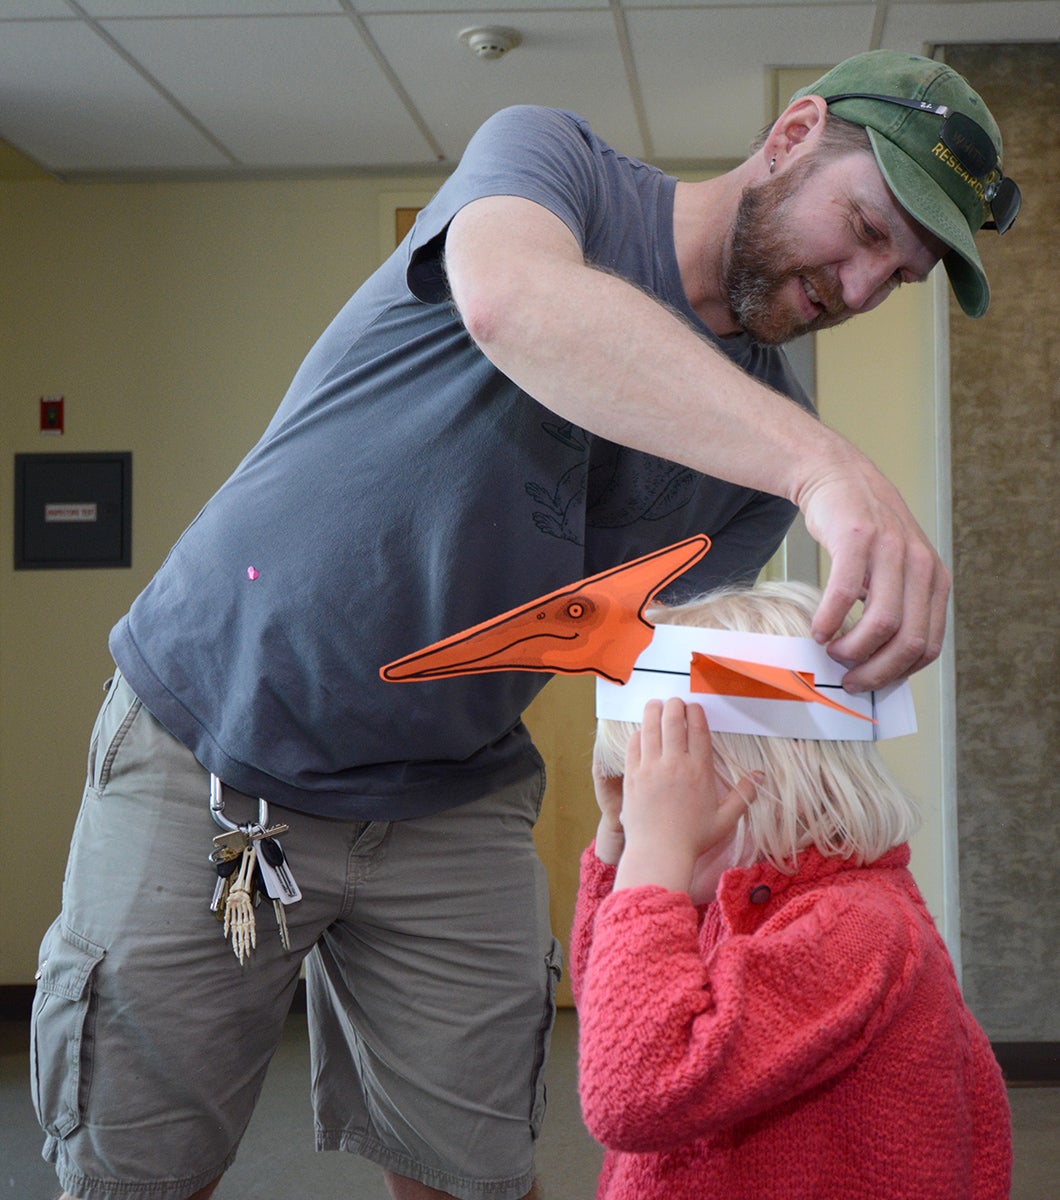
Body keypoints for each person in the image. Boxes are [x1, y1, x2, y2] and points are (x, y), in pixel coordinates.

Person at [29, 48, 1016, 1200]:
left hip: (452, 791)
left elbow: (644, 668)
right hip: (214, 738)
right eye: (861, 227)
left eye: (894, 275)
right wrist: (830, 470)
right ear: (793, 135)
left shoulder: (756, 463)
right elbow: (511, 300)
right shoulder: (556, 165)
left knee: (477, 1179)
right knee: (136, 1173)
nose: (855, 286)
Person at [571, 581, 1012, 1199]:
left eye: (659, 796)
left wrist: (655, 856)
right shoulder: (730, 896)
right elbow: (612, 1013)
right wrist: (622, 851)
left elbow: (633, 1092)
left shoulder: (858, 929)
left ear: (773, 780)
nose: (645, 815)